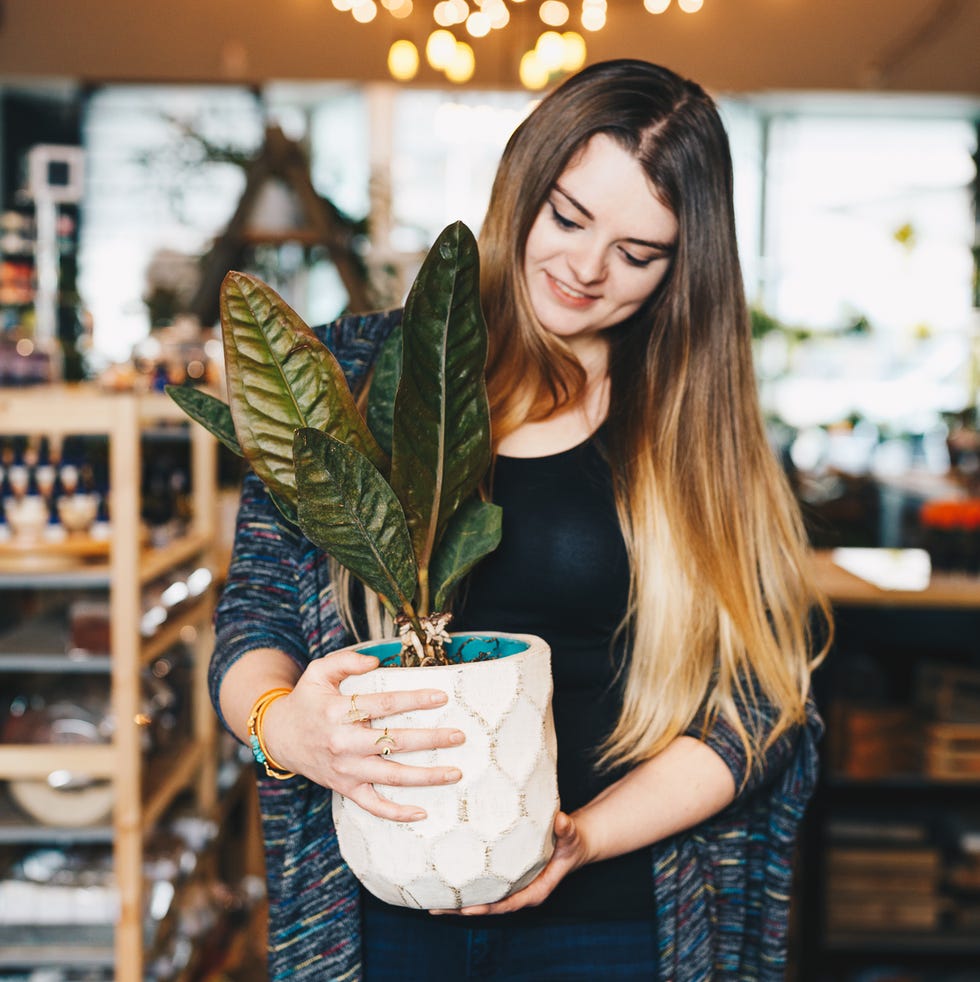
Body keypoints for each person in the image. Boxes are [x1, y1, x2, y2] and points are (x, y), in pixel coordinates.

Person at [211, 59, 830, 981]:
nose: (585, 269)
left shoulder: (694, 432)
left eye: (637, 253)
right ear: (522, 186)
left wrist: (582, 840)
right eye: (569, 218)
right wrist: (281, 728)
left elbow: (758, 702)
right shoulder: (356, 382)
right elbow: (255, 620)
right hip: (380, 908)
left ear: (682, 265)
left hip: (615, 916)